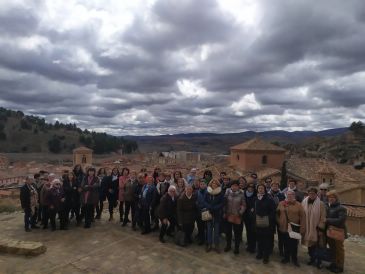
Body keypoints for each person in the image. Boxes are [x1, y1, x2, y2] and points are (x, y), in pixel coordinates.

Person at [277, 190, 306, 267]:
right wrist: (279, 221)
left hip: (294, 228)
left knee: (294, 244)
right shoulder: (281, 203)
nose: (289, 196)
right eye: (288, 194)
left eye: (291, 195)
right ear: (286, 195)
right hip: (284, 227)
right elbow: (277, 213)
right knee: (285, 243)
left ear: (294, 196)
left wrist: (302, 228)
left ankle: (294, 259)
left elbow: (303, 217)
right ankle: (286, 258)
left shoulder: (298, 205)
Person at [302, 187, 326, 268]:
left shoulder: (321, 204)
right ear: (308, 194)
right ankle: (312, 259)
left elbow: (323, 217)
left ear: (316, 194)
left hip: (316, 228)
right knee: (310, 245)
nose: (312, 195)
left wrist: (320, 229)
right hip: (307, 227)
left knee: (318, 245)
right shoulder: (304, 202)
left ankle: (319, 262)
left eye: (313, 193)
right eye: (310, 193)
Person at [325, 190, 347, 273]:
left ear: (336, 198)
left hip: (338, 231)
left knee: (339, 249)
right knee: (332, 248)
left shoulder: (341, 208)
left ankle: (340, 266)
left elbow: (340, 220)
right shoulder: (329, 206)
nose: (331, 198)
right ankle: (334, 264)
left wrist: (327, 220)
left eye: (333, 197)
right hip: (330, 231)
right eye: (329, 197)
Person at [254, 184, 276, 264]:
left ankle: (266, 256)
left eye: (262, 188)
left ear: (265, 189)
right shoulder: (256, 198)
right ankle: (260, 253)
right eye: (259, 188)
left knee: (266, 241)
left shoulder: (269, 199)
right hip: (258, 222)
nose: (260, 190)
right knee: (259, 240)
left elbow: (273, 211)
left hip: (267, 224)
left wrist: (267, 218)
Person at [223, 180, 246, 255]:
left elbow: (244, 205)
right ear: (231, 186)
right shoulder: (227, 192)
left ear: (238, 186)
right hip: (228, 215)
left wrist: (240, 212)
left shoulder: (241, 194)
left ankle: (236, 247)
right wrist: (224, 211)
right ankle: (228, 245)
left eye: (236, 185)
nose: (234, 187)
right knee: (228, 232)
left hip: (237, 216)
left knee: (237, 233)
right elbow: (224, 202)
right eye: (233, 185)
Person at [203, 179, 224, 253]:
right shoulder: (207, 192)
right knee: (209, 230)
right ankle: (209, 244)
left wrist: (215, 208)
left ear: (218, 185)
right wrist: (209, 207)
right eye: (213, 183)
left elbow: (222, 203)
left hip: (217, 213)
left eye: (215, 183)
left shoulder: (220, 192)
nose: (214, 184)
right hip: (209, 213)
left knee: (217, 231)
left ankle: (216, 245)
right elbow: (204, 201)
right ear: (210, 184)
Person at [268, 180, 286, 256]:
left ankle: (281, 250)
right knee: (270, 234)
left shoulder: (282, 195)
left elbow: (284, 205)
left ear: (278, 187)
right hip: (270, 217)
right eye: (273, 186)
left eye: (276, 186)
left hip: (279, 217)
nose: (275, 187)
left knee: (281, 234)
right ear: (271, 187)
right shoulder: (268, 195)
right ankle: (270, 248)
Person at [243, 182, 257, 253]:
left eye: (252, 187)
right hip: (245, 216)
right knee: (248, 231)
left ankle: (253, 247)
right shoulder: (244, 194)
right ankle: (249, 244)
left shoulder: (256, 195)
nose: (250, 188)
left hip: (253, 216)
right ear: (247, 187)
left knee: (253, 232)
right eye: (249, 187)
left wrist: (253, 209)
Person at [196, 179, 208, 245]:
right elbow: (196, 201)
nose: (202, 185)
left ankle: (207, 239)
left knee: (206, 226)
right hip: (199, 212)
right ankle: (201, 239)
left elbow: (210, 201)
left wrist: (206, 207)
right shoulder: (197, 192)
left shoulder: (208, 192)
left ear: (206, 185)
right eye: (201, 184)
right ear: (199, 185)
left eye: (203, 184)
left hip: (206, 211)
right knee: (200, 226)